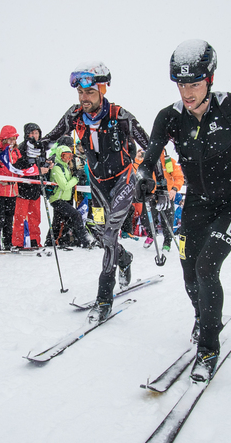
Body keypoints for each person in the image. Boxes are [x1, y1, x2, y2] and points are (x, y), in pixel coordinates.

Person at [139, 40, 231, 382]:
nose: (187, 92)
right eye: (181, 84)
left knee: (207, 268)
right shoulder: (170, 117)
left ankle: (208, 348)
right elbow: (147, 161)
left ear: (210, 79)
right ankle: (202, 316)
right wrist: (145, 178)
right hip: (195, 205)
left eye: (194, 83)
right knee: (189, 274)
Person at [44, 61, 156, 322]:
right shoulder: (74, 115)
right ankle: (125, 258)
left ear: (102, 90)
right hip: (97, 183)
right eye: (81, 93)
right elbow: (50, 137)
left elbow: (150, 144)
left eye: (90, 93)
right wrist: (35, 149)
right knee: (99, 231)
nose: (84, 98)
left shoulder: (120, 115)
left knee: (109, 233)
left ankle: (104, 298)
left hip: (123, 181)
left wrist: (153, 178)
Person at [46, 143, 91, 248]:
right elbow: (65, 185)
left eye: (69, 156)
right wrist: (76, 178)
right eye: (64, 156)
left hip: (64, 199)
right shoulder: (57, 168)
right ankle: (84, 240)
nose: (67, 159)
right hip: (57, 199)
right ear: (59, 155)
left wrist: (77, 175)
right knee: (76, 215)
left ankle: (50, 242)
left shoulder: (66, 167)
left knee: (58, 222)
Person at [12, 123, 49, 248]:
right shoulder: (22, 147)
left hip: (36, 188)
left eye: (36, 133)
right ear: (27, 134)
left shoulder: (41, 148)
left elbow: (43, 163)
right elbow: (18, 167)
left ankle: (35, 241)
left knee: (35, 218)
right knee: (20, 218)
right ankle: (18, 243)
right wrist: (36, 169)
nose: (34, 136)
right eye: (32, 133)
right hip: (23, 188)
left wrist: (47, 166)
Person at [0, 125, 20, 251]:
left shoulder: (16, 152)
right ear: (3, 139)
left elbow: (19, 169)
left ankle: (8, 242)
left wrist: (13, 173)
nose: (12, 142)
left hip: (12, 190)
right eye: (9, 139)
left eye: (14, 139)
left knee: (9, 217)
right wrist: (9, 174)